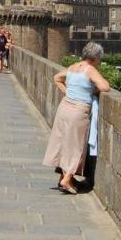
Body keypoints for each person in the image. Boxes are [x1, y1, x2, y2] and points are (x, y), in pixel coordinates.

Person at [43, 42, 110, 194]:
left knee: (64, 143)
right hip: (78, 111)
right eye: (100, 58)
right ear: (95, 57)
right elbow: (105, 87)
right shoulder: (90, 69)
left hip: (64, 108)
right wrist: (95, 87)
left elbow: (56, 78)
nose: (100, 61)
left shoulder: (73, 67)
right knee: (76, 146)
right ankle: (67, 178)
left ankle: (62, 177)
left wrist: (67, 92)